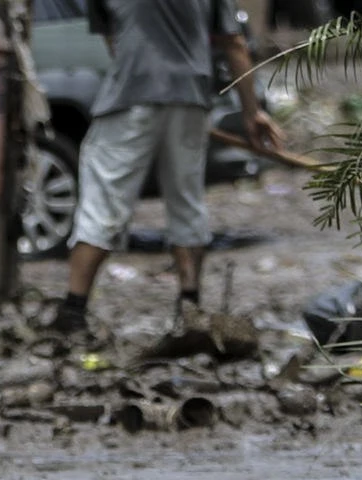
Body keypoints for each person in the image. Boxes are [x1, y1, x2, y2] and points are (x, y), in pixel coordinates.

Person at [44, 0, 285, 334]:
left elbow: (113, 43)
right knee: (186, 202)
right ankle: (190, 307)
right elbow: (234, 43)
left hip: (131, 97)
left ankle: (73, 309)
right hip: (189, 98)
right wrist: (252, 112)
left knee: (103, 203)